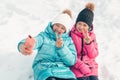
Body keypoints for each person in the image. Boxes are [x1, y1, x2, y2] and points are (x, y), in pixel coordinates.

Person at [17, 9, 77, 80]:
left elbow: (71, 61)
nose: (58, 29)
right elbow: (36, 41)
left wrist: (61, 48)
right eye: (57, 25)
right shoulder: (44, 36)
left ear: (65, 31)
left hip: (63, 71)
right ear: (53, 24)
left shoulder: (68, 41)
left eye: (62, 28)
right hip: (44, 68)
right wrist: (24, 45)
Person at [70, 2, 99, 80]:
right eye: (79, 23)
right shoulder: (71, 34)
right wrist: (80, 65)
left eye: (84, 25)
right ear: (76, 23)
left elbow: (94, 55)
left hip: (91, 65)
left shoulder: (92, 36)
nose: (81, 27)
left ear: (89, 27)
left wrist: (88, 43)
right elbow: (69, 54)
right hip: (76, 65)